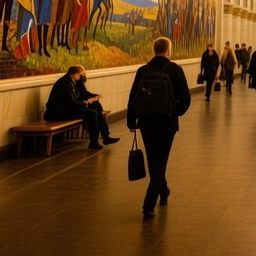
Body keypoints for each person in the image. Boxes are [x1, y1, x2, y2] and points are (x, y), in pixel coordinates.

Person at [127, 37, 191, 219]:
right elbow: (185, 98)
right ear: (168, 51)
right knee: (160, 162)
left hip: (146, 123)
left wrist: (132, 121)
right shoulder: (175, 70)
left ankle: (164, 190)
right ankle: (148, 205)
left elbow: (133, 97)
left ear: (154, 50)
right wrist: (175, 113)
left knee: (153, 159)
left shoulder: (143, 70)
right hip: (166, 124)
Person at [44, 65, 118, 150]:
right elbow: (72, 103)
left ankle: (105, 137)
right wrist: (87, 102)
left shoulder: (72, 80)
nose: (81, 77)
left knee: (95, 107)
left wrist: (94, 98)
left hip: (68, 109)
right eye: (80, 75)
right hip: (59, 113)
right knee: (92, 113)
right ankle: (94, 142)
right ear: (74, 74)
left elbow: (81, 95)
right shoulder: (64, 83)